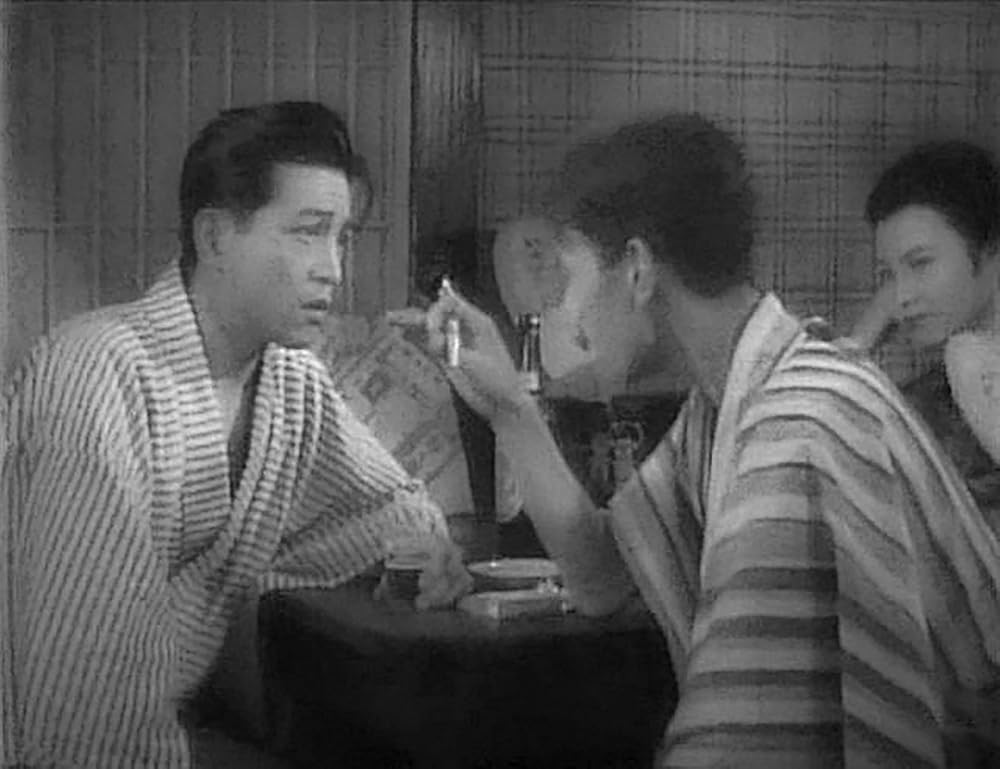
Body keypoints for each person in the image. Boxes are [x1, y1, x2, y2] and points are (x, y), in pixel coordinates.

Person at [418, 114, 1000, 766]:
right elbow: (604, 576)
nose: (568, 314)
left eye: (571, 276)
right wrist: (510, 410)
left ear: (637, 270)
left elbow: (740, 750)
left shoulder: (795, 426)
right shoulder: (737, 394)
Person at [1, 101, 470, 769]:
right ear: (215, 237)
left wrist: (429, 556)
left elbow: (391, 513)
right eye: (307, 233)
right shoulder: (96, 374)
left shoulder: (290, 380)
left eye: (342, 238)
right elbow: (83, 705)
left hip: (170, 724)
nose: (333, 269)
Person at [850, 140, 1000, 523]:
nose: (901, 297)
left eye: (920, 263)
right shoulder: (929, 398)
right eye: (888, 275)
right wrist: (861, 341)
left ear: (989, 250)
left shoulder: (969, 358)